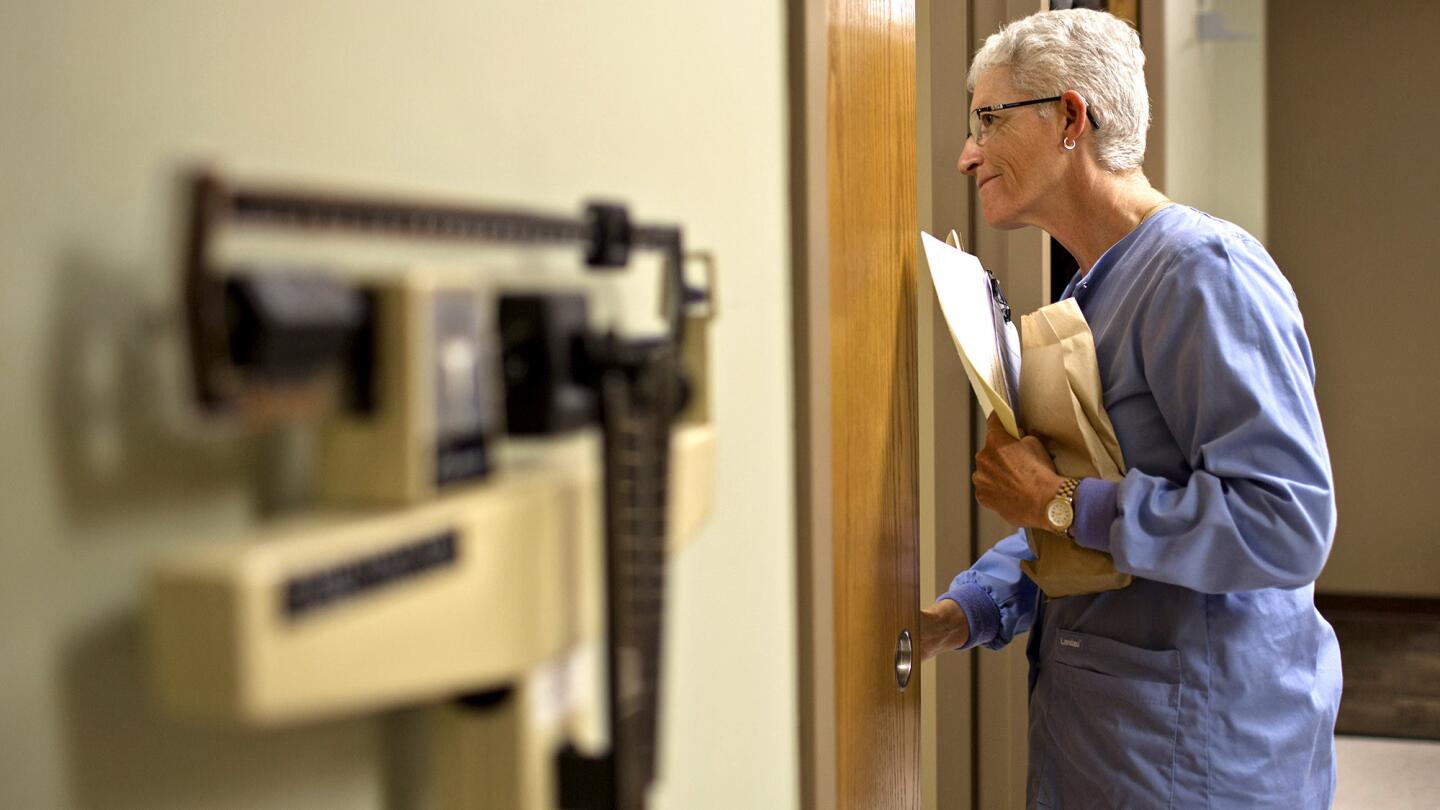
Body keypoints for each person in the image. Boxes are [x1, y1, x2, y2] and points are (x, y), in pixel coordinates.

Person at [918, 9, 1341, 808]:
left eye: (988, 119)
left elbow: (1285, 522)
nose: (967, 154)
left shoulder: (1201, 271)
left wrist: (1059, 500)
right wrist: (965, 609)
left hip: (1200, 757)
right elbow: (1083, 518)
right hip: (1108, 746)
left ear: (1072, 117)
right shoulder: (1096, 287)